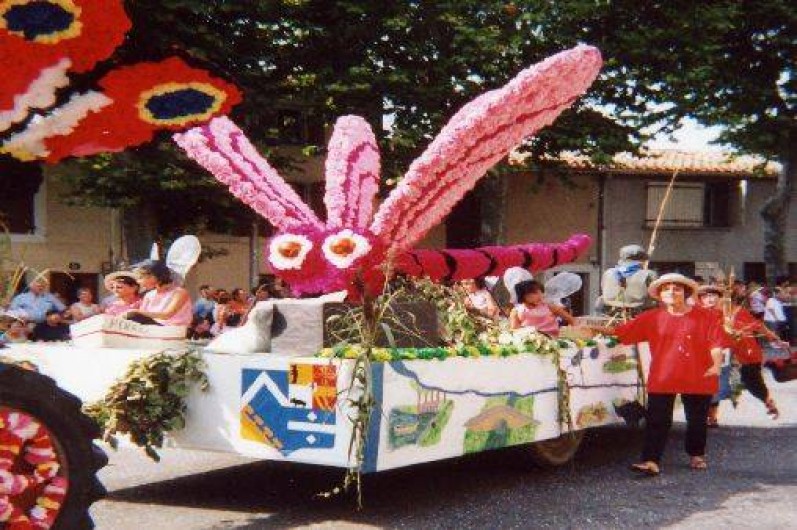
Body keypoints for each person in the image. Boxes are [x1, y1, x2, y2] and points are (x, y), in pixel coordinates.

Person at [603, 273, 724, 476]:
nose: (671, 292)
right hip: (664, 375)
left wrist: (717, 365)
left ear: (685, 293)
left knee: (696, 419)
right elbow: (622, 332)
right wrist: (584, 326)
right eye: (666, 289)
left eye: (677, 288)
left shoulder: (706, 316)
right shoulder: (651, 317)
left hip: (698, 373)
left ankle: (696, 454)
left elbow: (716, 344)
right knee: (657, 419)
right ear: (660, 295)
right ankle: (651, 461)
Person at [123, 261, 192, 326]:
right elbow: (143, 315)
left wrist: (136, 312)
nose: (138, 282)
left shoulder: (179, 292)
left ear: (154, 277)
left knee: (133, 316)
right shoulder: (149, 295)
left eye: (141, 278)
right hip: (153, 328)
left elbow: (167, 315)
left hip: (173, 328)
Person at [509, 280, 574, 336]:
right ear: (523, 296)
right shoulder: (517, 311)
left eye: (541, 292)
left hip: (553, 340)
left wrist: (572, 332)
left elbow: (570, 319)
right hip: (532, 341)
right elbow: (515, 330)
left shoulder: (548, 306)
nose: (540, 295)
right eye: (535, 293)